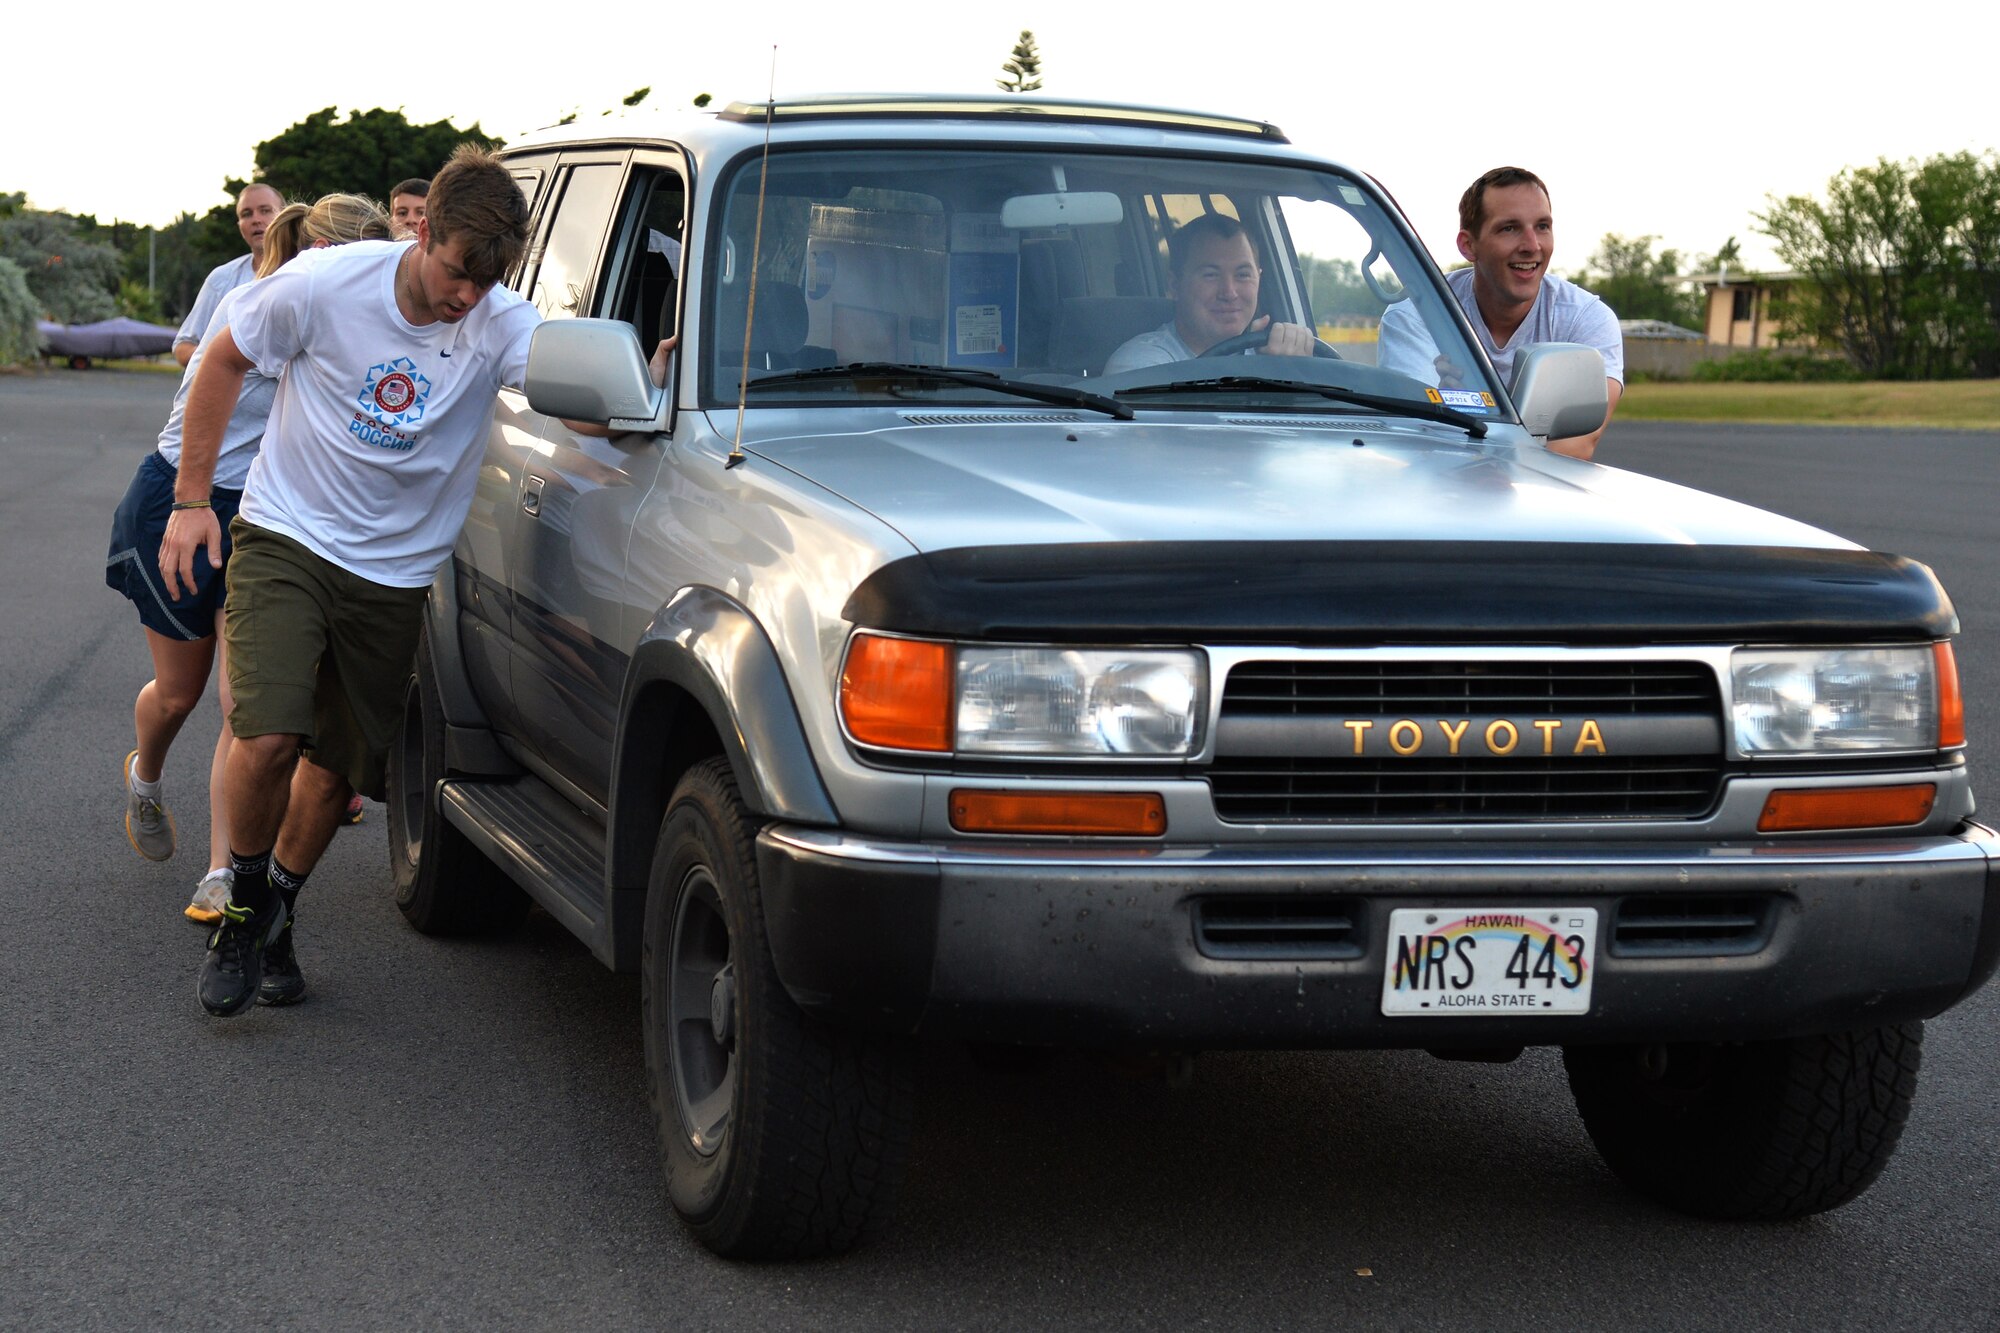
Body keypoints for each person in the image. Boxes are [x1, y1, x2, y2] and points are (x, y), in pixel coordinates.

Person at [109, 195, 393, 925]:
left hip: (266, 515)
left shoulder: (366, 322)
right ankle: (145, 773)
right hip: (183, 496)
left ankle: (220, 876)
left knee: (247, 708)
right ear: (328, 256)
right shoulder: (255, 301)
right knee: (178, 694)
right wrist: (188, 502)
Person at [1377, 167, 1623, 460]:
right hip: (1440, 498)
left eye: (1542, 226)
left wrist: (1464, 412)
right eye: (1509, 228)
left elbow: (1579, 442)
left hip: (1540, 498)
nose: (1532, 246)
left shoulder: (1585, 318)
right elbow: (1416, 443)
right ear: (1468, 245)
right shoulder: (1416, 317)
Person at [1104, 213, 1314, 373]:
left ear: (1259, 279)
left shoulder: (1278, 357)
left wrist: (1295, 375)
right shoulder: (1142, 365)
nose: (1229, 292)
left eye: (1242, 275)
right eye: (1211, 275)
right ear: (1174, 286)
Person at [172, 184, 284, 368]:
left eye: (265, 210)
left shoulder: (308, 274)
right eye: (246, 214)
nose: (256, 220)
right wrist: (222, 359)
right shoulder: (221, 279)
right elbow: (183, 345)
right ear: (239, 225)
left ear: (284, 215)